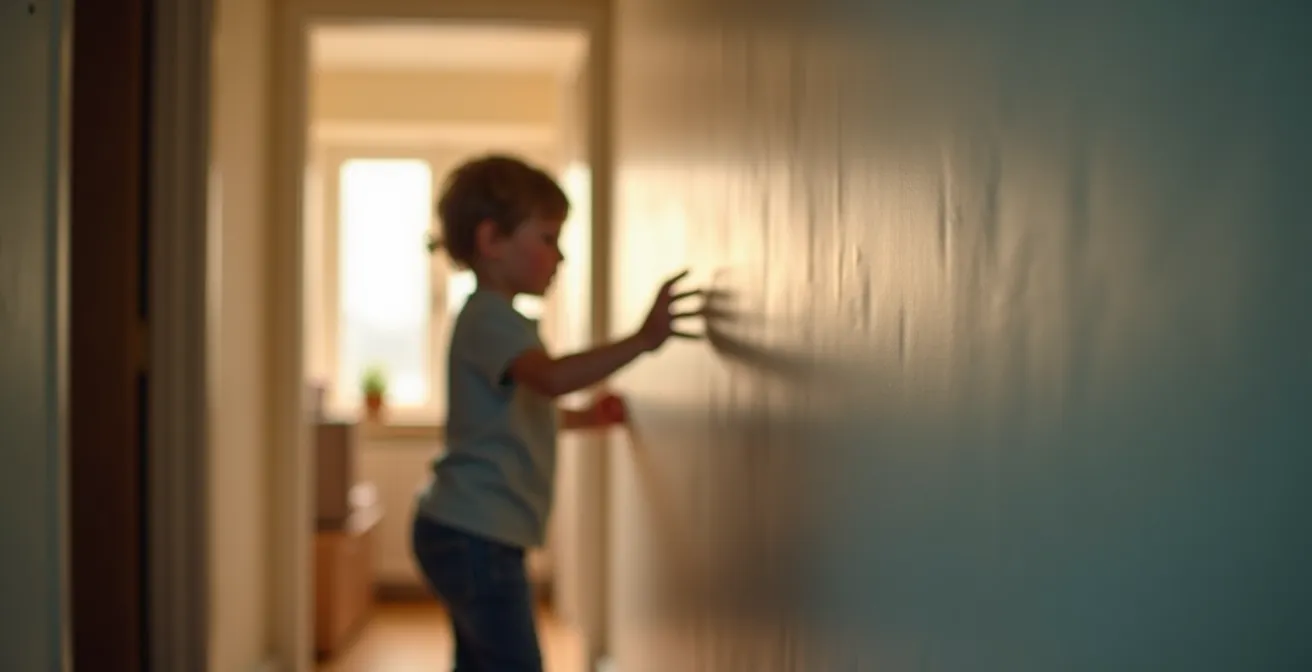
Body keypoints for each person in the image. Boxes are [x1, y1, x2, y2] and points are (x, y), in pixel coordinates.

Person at [412, 154, 701, 671]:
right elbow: (551, 379)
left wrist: (587, 418)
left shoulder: (496, 320)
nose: (560, 256)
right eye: (547, 238)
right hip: (476, 535)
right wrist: (643, 340)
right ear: (491, 240)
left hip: (465, 530)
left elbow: (517, 415)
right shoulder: (489, 318)